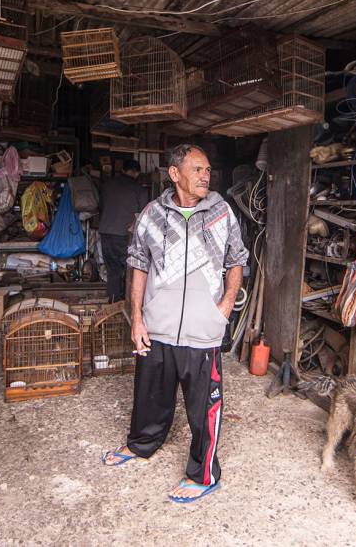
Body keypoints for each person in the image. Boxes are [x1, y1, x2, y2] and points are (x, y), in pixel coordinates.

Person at [101, 144, 248, 504]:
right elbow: (137, 264)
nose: (205, 176)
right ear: (174, 173)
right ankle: (142, 443)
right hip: (158, 325)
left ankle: (203, 474)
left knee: (203, 407)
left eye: (208, 170)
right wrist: (137, 317)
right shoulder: (152, 214)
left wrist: (226, 306)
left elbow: (237, 260)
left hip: (202, 329)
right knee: (150, 396)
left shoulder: (221, 213)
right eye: (197, 169)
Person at [99, 159, 148, 302]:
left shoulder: (108, 185)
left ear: (123, 170)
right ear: (137, 173)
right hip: (124, 235)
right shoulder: (139, 189)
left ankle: (113, 302)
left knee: (113, 270)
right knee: (129, 271)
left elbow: (101, 206)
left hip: (106, 232)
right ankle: (127, 305)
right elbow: (143, 215)